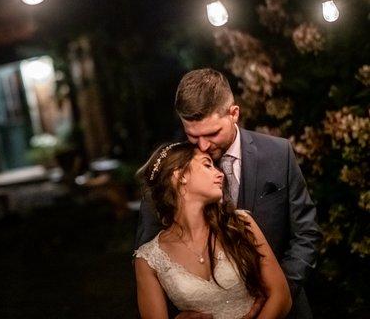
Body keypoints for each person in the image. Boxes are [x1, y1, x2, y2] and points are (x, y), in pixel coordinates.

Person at [135, 68, 322, 318]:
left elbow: (306, 233)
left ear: (234, 113)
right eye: (193, 135)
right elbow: (153, 254)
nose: (203, 145)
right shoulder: (171, 170)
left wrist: (275, 293)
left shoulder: (278, 154)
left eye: (212, 133)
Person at [134, 142, 292, 318]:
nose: (220, 174)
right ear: (180, 175)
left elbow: (281, 296)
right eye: (207, 164)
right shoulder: (148, 260)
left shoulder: (240, 224)